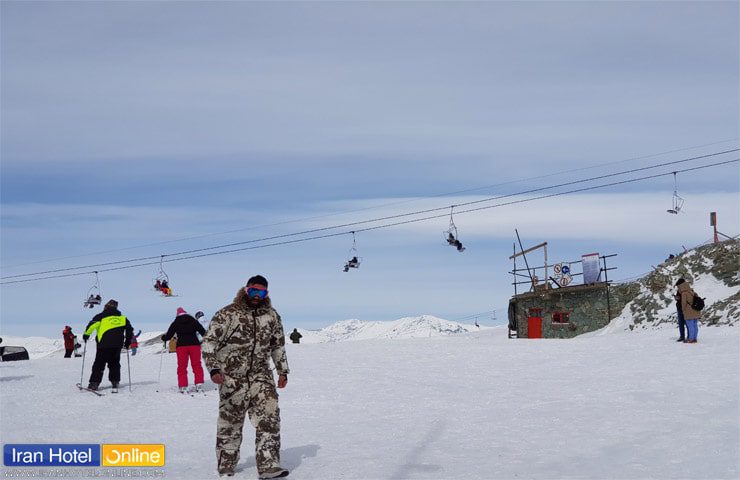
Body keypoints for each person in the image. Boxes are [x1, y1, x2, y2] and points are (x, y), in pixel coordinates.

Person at [202, 275, 290, 479]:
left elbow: (277, 345)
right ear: (245, 290)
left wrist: (282, 370)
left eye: (261, 292)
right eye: (253, 291)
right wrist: (214, 369)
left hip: (261, 375)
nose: (257, 296)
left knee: (270, 417)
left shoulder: (271, 316)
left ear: (266, 294)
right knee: (231, 422)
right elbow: (209, 343)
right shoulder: (227, 314)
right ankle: (226, 465)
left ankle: (269, 465)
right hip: (232, 377)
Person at [83, 299, 134, 391]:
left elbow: (91, 326)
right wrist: (127, 342)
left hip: (103, 344)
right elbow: (129, 330)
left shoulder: (100, 316)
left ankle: (94, 384)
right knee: (114, 363)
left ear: (106, 306)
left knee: (99, 364)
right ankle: (115, 382)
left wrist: (86, 335)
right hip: (117, 345)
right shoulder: (122, 318)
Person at [162, 307, 206, 393]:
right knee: (197, 365)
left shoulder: (175, 322)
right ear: (186, 313)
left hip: (181, 347)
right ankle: (199, 384)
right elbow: (203, 332)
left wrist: (163, 338)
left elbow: (169, 335)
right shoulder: (193, 320)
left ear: (177, 314)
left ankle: (183, 386)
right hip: (194, 345)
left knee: (182, 366)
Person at [677, 278, 701, 343]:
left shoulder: (684, 293)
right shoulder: (692, 291)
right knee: (695, 325)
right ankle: (694, 338)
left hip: (688, 312)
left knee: (690, 326)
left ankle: (690, 339)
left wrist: (683, 310)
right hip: (695, 310)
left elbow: (683, 303)